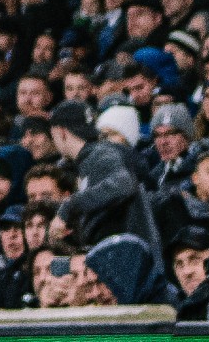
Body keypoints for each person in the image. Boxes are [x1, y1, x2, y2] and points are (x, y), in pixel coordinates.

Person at [47, 101, 161, 250]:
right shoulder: (91, 158)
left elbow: (123, 184)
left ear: (61, 131)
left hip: (130, 257)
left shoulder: (100, 154)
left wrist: (69, 206)